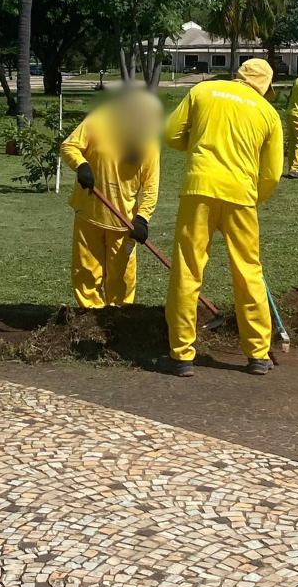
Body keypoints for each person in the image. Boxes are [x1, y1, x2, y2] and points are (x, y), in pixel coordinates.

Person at [163, 58, 284, 378]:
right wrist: (254, 198)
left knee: (188, 270)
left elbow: (171, 134)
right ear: (266, 86)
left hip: (199, 190)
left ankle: (181, 355)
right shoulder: (268, 113)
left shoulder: (203, 91)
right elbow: (272, 174)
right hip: (241, 197)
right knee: (249, 272)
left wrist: (198, 144)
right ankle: (258, 354)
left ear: (239, 75)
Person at [60, 89, 161, 308]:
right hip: (89, 212)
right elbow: (69, 146)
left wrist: (142, 219)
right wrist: (81, 165)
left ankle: (119, 316)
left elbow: (151, 185)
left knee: (121, 275)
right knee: (86, 271)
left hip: (123, 222)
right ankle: (89, 315)